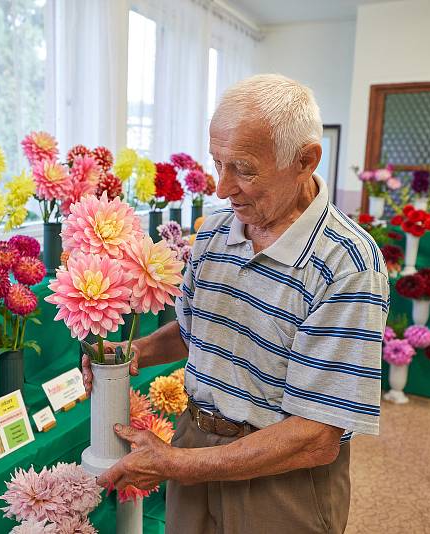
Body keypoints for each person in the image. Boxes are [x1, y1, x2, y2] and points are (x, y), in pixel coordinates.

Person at [85, 74, 388, 533]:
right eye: (217, 163)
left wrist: (175, 465)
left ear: (305, 160)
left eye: (244, 168)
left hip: (282, 476)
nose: (223, 187)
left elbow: (316, 437)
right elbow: (197, 332)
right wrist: (137, 351)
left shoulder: (347, 264)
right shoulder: (213, 231)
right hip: (194, 439)